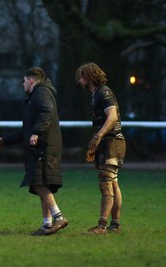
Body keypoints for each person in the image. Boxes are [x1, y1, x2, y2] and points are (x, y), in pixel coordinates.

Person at [0, 67, 68, 236]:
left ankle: (58, 217)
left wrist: (36, 133)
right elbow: (26, 131)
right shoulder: (35, 96)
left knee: (38, 183)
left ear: (30, 80)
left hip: (43, 147)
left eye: (23, 81)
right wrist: (4, 141)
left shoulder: (40, 92)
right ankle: (46, 225)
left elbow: (47, 112)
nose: (22, 84)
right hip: (43, 146)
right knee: (42, 184)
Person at [75, 62, 125, 234]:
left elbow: (112, 117)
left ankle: (102, 226)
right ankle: (115, 225)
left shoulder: (103, 92)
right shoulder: (97, 93)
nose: (79, 81)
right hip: (111, 142)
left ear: (88, 77)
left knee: (105, 184)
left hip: (111, 142)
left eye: (81, 77)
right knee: (113, 183)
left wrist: (98, 136)